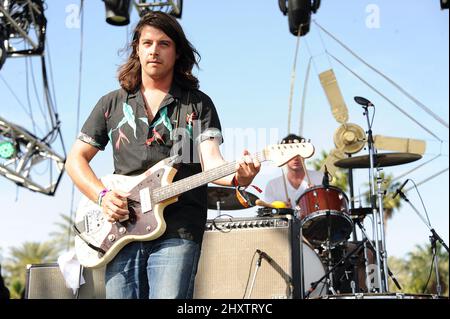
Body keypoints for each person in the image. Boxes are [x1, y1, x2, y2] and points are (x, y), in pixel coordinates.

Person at [65, 11, 260, 299]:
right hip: (120, 230)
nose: (154, 50)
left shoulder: (197, 104)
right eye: (147, 43)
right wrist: (103, 196)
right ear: (137, 49)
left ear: (177, 51)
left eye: (164, 43)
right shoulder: (112, 103)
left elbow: (212, 162)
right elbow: (75, 160)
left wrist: (238, 176)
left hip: (178, 229)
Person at [264, 134, 323, 209]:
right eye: (290, 154)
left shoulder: (320, 178)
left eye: (299, 153)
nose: (296, 158)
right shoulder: (272, 185)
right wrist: (282, 211)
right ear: (282, 156)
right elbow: (269, 215)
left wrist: (318, 196)